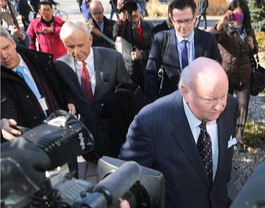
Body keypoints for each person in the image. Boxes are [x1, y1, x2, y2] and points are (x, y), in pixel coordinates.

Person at [119, 57, 239, 208]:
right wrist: (126, 207)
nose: (220, 107)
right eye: (209, 99)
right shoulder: (149, 122)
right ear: (186, 92)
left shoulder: (231, 106)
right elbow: (126, 178)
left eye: (223, 95)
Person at [55, 20, 131, 161]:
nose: (76, 52)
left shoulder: (113, 57)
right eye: (70, 46)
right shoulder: (61, 65)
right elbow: (65, 88)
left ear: (90, 39)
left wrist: (112, 99)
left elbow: (127, 88)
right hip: (87, 134)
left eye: (80, 45)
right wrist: (70, 101)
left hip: (113, 131)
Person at [0, 25, 75, 139]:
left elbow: (61, 86)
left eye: (6, 47)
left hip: (64, 135)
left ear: (13, 43)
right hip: (35, 146)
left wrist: (70, 100)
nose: (4, 56)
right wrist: (4, 120)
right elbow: (4, 103)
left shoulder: (39, 60)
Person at [144, 0, 221, 103]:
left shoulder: (208, 40)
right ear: (171, 19)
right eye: (179, 21)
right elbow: (150, 76)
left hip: (200, 103)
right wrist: (156, 105)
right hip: (170, 103)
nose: (183, 26)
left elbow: (217, 72)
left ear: (194, 17)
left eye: (187, 20)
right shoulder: (161, 40)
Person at [210, 0, 258, 152]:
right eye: (234, 14)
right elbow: (211, 37)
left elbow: (254, 51)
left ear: (244, 14)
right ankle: (222, 137)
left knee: (242, 109)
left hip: (245, 76)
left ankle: (239, 139)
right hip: (227, 76)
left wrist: (252, 46)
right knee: (223, 108)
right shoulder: (224, 29)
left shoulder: (249, 30)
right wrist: (221, 22)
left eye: (240, 14)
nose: (237, 18)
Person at [113, 0, 154, 90]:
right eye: (130, 11)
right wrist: (122, 16)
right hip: (130, 69)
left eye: (135, 10)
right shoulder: (124, 27)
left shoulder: (149, 26)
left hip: (147, 67)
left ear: (140, 12)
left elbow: (155, 49)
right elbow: (115, 32)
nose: (133, 13)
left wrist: (142, 54)